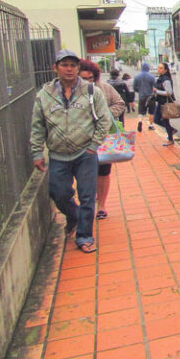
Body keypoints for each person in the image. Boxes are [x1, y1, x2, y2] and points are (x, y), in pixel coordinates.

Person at [30, 49, 111, 253]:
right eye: (64, 65)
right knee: (58, 193)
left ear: (78, 68)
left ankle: (84, 236)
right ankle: (73, 216)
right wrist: (37, 152)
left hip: (85, 153)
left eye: (73, 65)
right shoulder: (44, 95)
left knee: (87, 196)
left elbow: (104, 120)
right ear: (55, 68)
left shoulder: (92, 91)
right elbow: (38, 126)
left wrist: (94, 146)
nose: (69, 69)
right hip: (57, 154)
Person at [79, 60, 126, 221]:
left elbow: (120, 104)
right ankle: (91, 198)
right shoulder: (71, 92)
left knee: (103, 171)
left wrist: (104, 114)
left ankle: (102, 206)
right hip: (81, 140)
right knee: (84, 173)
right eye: (83, 78)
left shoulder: (105, 88)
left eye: (90, 78)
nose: (86, 81)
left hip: (103, 138)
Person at [153, 62, 177, 146]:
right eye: (158, 68)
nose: (159, 69)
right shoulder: (160, 78)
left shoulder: (165, 79)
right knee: (157, 120)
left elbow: (169, 92)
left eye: (161, 68)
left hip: (165, 103)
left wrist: (157, 91)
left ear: (165, 70)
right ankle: (171, 130)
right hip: (160, 102)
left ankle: (170, 138)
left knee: (164, 120)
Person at [134, 62, 156, 133]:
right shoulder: (152, 77)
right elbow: (155, 86)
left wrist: (139, 91)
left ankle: (140, 122)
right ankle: (151, 125)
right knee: (151, 112)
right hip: (151, 97)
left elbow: (134, 87)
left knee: (141, 111)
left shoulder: (137, 77)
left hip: (141, 97)